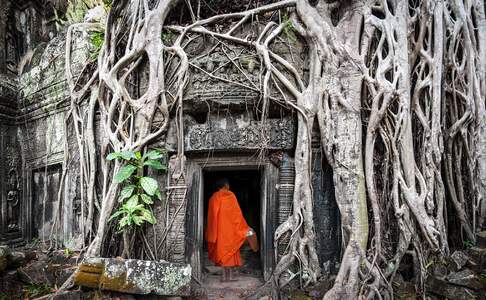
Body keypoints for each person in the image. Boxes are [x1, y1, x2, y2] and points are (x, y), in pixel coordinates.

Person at [205, 178, 255, 281]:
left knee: (222, 253)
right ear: (225, 185)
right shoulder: (230, 195)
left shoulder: (213, 198)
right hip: (231, 231)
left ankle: (224, 277)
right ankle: (230, 277)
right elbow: (237, 215)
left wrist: (212, 232)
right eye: (228, 184)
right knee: (231, 253)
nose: (229, 186)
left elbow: (211, 217)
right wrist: (243, 227)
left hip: (219, 231)